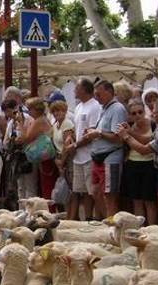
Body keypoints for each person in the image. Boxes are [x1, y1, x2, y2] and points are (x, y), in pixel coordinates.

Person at [117, 101, 158, 232]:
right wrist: (130, 131)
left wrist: (125, 136)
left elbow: (143, 150)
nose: (152, 113)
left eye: (156, 111)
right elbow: (148, 140)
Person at [88, 80, 128, 218]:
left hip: (110, 157)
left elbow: (118, 137)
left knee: (109, 196)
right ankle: (107, 221)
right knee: (95, 192)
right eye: (95, 95)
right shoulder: (103, 108)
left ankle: (112, 225)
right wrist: (93, 131)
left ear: (109, 92)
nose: (96, 98)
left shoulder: (117, 109)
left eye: (99, 94)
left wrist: (98, 133)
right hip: (98, 156)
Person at [64, 78, 101, 220]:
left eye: (77, 88)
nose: (74, 90)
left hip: (89, 155)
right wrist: (71, 137)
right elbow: (77, 128)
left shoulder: (94, 106)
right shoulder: (79, 107)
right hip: (78, 156)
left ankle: (96, 218)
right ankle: (87, 217)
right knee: (82, 190)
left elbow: (91, 133)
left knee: (93, 191)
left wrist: (75, 145)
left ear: (84, 89)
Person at [120, 99, 158, 225]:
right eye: (134, 113)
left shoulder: (153, 125)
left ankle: (152, 229)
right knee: (136, 200)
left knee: (149, 201)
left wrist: (130, 133)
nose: (137, 116)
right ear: (130, 115)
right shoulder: (129, 126)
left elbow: (147, 142)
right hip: (132, 164)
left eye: (140, 112)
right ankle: (139, 228)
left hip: (149, 164)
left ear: (144, 111)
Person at [16, 97, 53, 201]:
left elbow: (26, 138)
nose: (28, 111)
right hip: (44, 156)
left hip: (44, 157)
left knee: (44, 186)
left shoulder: (39, 121)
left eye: (30, 109)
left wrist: (20, 123)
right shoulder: (42, 119)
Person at [2, 99, 36, 200]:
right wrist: (12, 141)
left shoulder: (28, 119)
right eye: (6, 112)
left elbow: (26, 137)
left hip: (28, 155)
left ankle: (32, 209)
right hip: (17, 156)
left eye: (9, 111)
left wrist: (20, 123)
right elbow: (5, 142)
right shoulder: (10, 123)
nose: (8, 114)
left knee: (30, 185)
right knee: (20, 186)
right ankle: (22, 209)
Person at [49, 100, 75, 216]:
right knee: (64, 189)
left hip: (68, 159)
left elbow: (67, 144)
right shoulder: (55, 125)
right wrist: (56, 160)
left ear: (64, 111)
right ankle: (66, 214)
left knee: (71, 189)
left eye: (59, 110)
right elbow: (53, 144)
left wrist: (62, 162)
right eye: (54, 111)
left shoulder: (67, 124)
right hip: (58, 158)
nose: (56, 113)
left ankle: (72, 216)